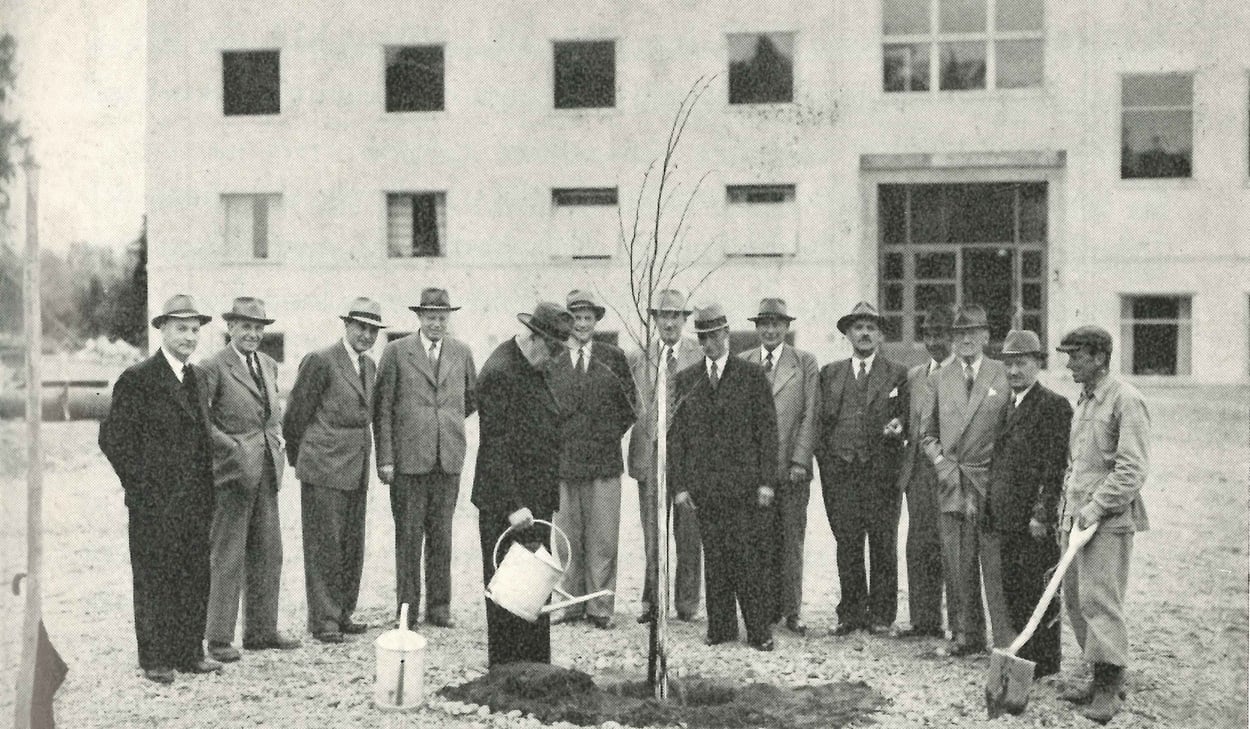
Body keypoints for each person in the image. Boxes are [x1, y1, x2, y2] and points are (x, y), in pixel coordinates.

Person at [99, 294, 222, 683]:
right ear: (162, 330)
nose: (189, 337)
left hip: (196, 499)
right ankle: (154, 657)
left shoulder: (198, 377)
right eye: (181, 329)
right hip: (155, 503)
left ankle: (189, 652)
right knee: (155, 577)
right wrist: (142, 486)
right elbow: (113, 439)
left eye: (194, 330)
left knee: (193, 574)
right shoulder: (139, 379)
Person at [669, 304, 779, 651]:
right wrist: (681, 487)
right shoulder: (687, 380)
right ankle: (721, 628)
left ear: (727, 335)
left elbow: (767, 432)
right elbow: (677, 439)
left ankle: (759, 631)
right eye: (703, 337)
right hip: (706, 490)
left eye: (715, 336)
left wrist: (765, 482)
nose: (709, 344)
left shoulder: (750, 375)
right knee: (715, 559)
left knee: (748, 559)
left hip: (745, 489)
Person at [1055, 326, 1150, 724]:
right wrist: (1069, 512)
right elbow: (1079, 463)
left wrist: (1095, 509)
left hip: (1106, 522)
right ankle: (1098, 677)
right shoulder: (1085, 399)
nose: (1069, 363)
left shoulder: (1126, 399)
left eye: (1076, 355)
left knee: (1100, 601)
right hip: (1075, 517)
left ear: (1098, 357)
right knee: (1076, 600)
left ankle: (1110, 685)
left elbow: (1132, 470)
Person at [471, 301, 573, 665]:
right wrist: (513, 504)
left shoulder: (532, 363)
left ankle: (533, 669)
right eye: (553, 350)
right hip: (508, 503)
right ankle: (507, 672)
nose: (556, 359)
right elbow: (494, 446)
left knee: (534, 588)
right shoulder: (500, 372)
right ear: (532, 338)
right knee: (508, 592)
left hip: (535, 499)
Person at [201, 297, 300, 663]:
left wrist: (276, 446)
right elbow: (202, 420)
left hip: (267, 469)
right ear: (230, 328)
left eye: (258, 328)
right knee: (228, 554)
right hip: (232, 473)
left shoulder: (269, 365)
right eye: (245, 327)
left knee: (268, 551)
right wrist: (230, 449)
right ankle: (219, 637)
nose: (253, 334)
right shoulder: (213, 367)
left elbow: (271, 417)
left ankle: (261, 631)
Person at [283, 298, 386, 644]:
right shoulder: (321, 361)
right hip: (323, 466)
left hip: (356, 466)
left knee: (351, 544)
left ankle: (343, 612)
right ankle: (324, 619)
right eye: (361, 327)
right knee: (324, 544)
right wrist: (304, 460)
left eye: (373, 330)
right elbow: (295, 416)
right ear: (347, 326)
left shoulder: (370, 367)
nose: (366, 335)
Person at [375, 287, 478, 629]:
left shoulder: (461, 352)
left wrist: (443, 426)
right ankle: (407, 608)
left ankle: (439, 606)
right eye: (431, 317)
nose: (437, 324)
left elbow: (470, 399)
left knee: (442, 535)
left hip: (447, 458)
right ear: (418, 318)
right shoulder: (396, 352)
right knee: (408, 536)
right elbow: (383, 409)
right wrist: (386, 459)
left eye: (442, 318)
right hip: (408, 462)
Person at [980, 329, 1072, 676]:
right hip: (1006, 519)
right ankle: (1026, 658)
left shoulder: (1053, 406)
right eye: (1009, 364)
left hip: (1033, 523)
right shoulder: (1009, 404)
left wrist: (1041, 514)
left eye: (1021, 364)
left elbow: (1055, 466)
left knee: (1041, 591)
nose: (1014, 371)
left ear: (1037, 364)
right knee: (1016, 588)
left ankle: (1046, 663)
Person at [814, 301, 909, 635]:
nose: (865, 333)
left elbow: (908, 415)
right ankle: (851, 613)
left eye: (871, 328)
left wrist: (900, 423)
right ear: (848, 334)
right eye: (858, 327)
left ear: (881, 335)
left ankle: (882, 615)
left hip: (882, 473)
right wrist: (828, 462)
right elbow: (820, 423)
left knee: (883, 543)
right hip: (842, 472)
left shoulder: (897, 373)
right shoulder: (831, 373)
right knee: (848, 543)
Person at [921, 303, 1009, 656]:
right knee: (957, 561)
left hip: (990, 480)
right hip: (953, 481)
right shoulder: (939, 378)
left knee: (994, 562)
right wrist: (942, 465)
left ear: (987, 336)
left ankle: (1005, 639)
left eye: (973, 333)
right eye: (959, 334)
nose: (966, 340)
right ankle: (966, 633)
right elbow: (927, 434)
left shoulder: (1003, 374)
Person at [549, 289, 636, 629]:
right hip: (564, 463)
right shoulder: (553, 359)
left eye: (588, 318)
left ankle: (600, 607)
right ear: (567, 323)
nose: (582, 324)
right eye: (575, 318)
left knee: (602, 539)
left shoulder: (612, 358)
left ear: (596, 322)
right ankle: (570, 605)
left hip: (603, 463)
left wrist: (604, 434)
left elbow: (629, 407)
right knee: (566, 537)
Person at [738, 297, 820, 636]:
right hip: (757, 474)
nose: (771, 330)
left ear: (787, 327)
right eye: (764, 324)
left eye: (777, 324)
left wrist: (800, 459)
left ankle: (792, 610)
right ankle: (767, 608)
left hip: (791, 470)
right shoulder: (743, 362)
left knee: (791, 541)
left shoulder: (804, 363)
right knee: (761, 541)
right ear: (757, 328)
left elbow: (809, 414)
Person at [627, 289, 704, 624]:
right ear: (654, 319)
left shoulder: (699, 355)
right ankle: (653, 600)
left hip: (688, 459)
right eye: (663, 315)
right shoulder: (638, 355)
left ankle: (687, 603)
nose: (669, 322)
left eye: (675, 316)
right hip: (650, 453)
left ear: (684, 320)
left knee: (688, 534)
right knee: (653, 534)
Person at [895, 304, 955, 639]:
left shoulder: (962, 375)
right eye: (929, 335)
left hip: (948, 471)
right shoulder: (915, 376)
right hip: (917, 471)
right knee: (918, 545)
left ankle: (957, 623)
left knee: (950, 547)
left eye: (941, 335)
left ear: (954, 337)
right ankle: (924, 621)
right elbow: (909, 419)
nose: (935, 342)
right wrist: (898, 425)